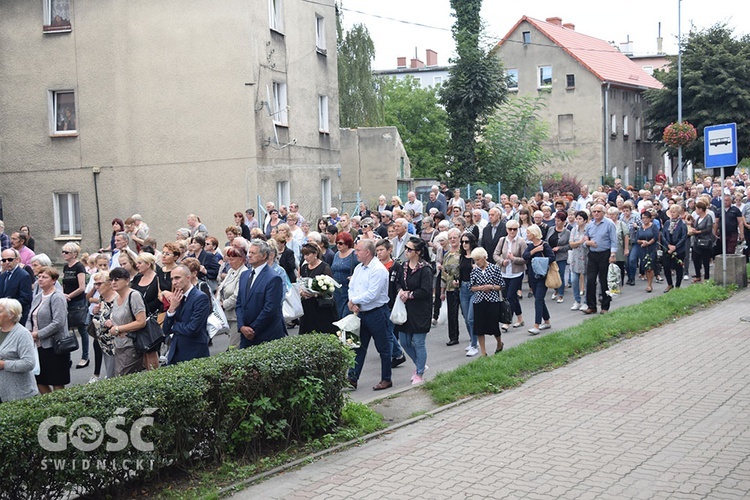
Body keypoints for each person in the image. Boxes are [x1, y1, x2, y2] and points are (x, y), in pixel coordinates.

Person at [347, 240, 392, 391]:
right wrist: (352, 300)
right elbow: (352, 286)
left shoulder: (378, 270)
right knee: (358, 347)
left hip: (377, 313)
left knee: (383, 348)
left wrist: (354, 300)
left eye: (358, 250)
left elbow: (373, 294)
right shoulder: (359, 268)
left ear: (367, 252)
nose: (355, 253)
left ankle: (386, 379)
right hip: (361, 312)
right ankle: (352, 378)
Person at [394, 237, 433, 385]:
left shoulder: (425, 269)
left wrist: (409, 294)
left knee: (418, 342)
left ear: (418, 252)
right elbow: (398, 283)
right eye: (406, 248)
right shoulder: (403, 266)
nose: (406, 251)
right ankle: (420, 364)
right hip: (405, 309)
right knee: (404, 341)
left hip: (420, 310)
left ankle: (420, 373)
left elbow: (426, 290)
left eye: (409, 249)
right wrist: (400, 291)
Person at [236, 239, 287, 348]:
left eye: (253, 253)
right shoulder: (244, 275)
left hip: (265, 335)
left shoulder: (273, 278)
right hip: (246, 334)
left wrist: (253, 329)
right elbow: (239, 303)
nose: (249, 255)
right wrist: (241, 326)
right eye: (249, 252)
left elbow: (270, 308)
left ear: (264, 256)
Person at [27, 266, 70, 394]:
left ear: (54, 280)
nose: (40, 280)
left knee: (56, 380)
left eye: (44, 277)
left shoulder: (57, 297)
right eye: (39, 277)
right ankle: (48, 404)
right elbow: (30, 317)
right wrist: (28, 332)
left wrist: (37, 334)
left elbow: (58, 322)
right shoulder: (38, 297)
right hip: (38, 345)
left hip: (54, 345)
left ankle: (60, 407)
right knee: (40, 379)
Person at [163, 265, 211, 364]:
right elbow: (166, 330)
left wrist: (175, 326)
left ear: (188, 278)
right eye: (172, 279)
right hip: (175, 351)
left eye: (177, 278)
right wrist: (172, 308)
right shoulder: (176, 298)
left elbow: (192, 329)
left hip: (194, 352)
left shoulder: (200, 298)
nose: (174, 282)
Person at [104, 267, 147, 376]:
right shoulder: (116, 297)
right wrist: (111, 322)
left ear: (127, 281)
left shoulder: (134, 296)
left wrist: (119, 328)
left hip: (132, 345)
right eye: (111, 279)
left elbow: (141, 321)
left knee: (122, 377)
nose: (113, 282)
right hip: (119, 345)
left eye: (117, 279)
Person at [0, 298, 39, 402]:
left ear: (11, 315)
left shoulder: (22, 334)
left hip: (18, 394)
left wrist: (4, 364)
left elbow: (29, 363)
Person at [375, 239, 405, 368]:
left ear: (389, 250)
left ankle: (394, 355)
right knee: (385, 330)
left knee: (388, 331)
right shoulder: (375, 265)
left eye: (381, 250)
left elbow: (399, 283)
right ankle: (397, 353)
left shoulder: (396, 266)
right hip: (378, 302)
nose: (379, 253)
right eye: (377, 251)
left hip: (391, 302)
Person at [582, 204, 618, 314]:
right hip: (593, 254)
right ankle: (591, 306)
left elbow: (613, 240)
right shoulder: (589, 225)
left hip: (605, 254)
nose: (596, 213)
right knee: (591, 280)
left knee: (604, 281)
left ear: (603, 212)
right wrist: (587, 243)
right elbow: (584, 240)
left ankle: (605, 307)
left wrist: (612, 254)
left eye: (598, 211)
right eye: (594, 211)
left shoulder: (609, 224)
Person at [469, 247, 505, 355]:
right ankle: (483, 353)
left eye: (478, 259)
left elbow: (502, 285)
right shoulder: (475, 271)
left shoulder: (494, 268)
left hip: (492, 300)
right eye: (475, 260)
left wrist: (491, 287)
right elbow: (471, 287)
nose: (477, 262)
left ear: (484, 258)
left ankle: (499, 343)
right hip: (479, 300)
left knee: (494, 325)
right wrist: (480, 288)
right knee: (479, 327)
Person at [130, 252, 162, 369]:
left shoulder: (157, 278)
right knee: (141, 350)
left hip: (151, 318)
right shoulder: (138, 277)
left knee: (150, 350)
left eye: (139, 263)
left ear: (148, 264)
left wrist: (142, 308)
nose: (137, 265)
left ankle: (154, 376)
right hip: (136, 317)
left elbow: (159, 300)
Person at [60, 242, 90, 369]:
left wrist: (69, 296)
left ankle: (85, 356)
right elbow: (64, 284)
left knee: (82, 328)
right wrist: (62, 295)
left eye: (66, 252)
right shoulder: (66, 267)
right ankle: (67, 357)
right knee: (66, 329)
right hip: (67, 301)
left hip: (78, 301)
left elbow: (81, 287)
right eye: (63, 251)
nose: (64, 254)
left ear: (74, 254)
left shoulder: (79, 267)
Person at [494, 219, 527, 330]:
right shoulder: (502, 240)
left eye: (515, 229)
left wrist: (514, 259)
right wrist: (502, 261)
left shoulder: (521, 241)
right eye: (510, 229)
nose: (512, 231)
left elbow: (525, 259)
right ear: (507, 230)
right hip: (504, 272)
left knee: (510, 297)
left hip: (516, 273)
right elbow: (495, 254)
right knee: (509, 297)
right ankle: (520, 318)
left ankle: (507, 321)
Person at [298, 243, 338, 335]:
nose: (305, 257)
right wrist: (301, 291)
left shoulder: (325, 267)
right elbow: (300, 281)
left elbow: (330, 288)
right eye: (304, 255)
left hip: (321, 307)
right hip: (307, 305)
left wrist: (316, 293)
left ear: (315, 254)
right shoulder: (304, 267)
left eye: (308, 255)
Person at [523, 225, 554, 335]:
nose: (527, 235)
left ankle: (536, 325)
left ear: (534, 233)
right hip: (532, 276)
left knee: (538, 300)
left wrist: (541, 260)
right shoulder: (531, 246)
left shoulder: (545, 245)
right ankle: (547, 321)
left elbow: (552, 257)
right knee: (539, 298)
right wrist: (534, 251)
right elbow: (525, 256)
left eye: (528, 233)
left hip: (542, 276)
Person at [217, 247, 247, 348]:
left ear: (241, 259)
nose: (229, 262)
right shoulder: (231, 271)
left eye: (232, 259)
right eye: (228, 258)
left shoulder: (244, 273)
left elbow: (237, 296)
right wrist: (218, 301)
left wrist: (223, 305)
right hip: (227, 315)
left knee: (233, 346)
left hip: (235, 316)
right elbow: (221, 287)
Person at [89, 271, 117, 381]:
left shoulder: (117, 298)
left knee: (116, 376)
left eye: (99, 283)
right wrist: (97, 312)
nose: (96, 287)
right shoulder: (102, 298)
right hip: (104, 343)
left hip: (116, 344)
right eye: (95, 284)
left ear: (109, 283)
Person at [440, 229, 462, 346]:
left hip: (462, 287)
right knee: (452, 314)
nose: (453, 240)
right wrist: (442, 291)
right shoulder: (447, 254)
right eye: (450, 238)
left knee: (467, 314)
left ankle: (474, 335)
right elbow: (444, 273)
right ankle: (453, 337)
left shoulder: (463, 253)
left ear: (459, 238)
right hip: (450, 288)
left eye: (455, 237)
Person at [0, 248, 33, 326]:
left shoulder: (24, 275)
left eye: (10, 260)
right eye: (4, 260)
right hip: (4, 318)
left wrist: (8, 306)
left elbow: (26, 298)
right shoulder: (3, 276)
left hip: (16, 317)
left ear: (17, 260)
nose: (7, 262)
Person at [458, 232, 478, 356]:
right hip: (463, 287)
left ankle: (475, 344)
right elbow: (460, 272)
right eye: (463, 242)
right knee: (466, 317)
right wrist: (457, 282)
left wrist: (477, 268)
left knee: (471, 318)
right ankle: (472, 340)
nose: (464, 244)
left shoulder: (476, 256)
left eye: (467, 242)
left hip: (474, 287)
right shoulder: (461, 256)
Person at [545, 211, 570, 303]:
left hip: (561, 257)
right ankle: (556, 290)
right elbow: (547, 240)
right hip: (551, 256)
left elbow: (569, 245)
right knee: (552, 274)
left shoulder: (567, 232)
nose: (557, 223)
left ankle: (561, 294)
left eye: (559, 221)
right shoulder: (551, 229)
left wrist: (560, 248)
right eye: (555, 220)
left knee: (561, 275)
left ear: (563, 222)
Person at [331, 232, 357, 320]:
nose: (338, 245)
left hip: (348, 290)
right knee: (337, 317)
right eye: (337, 243)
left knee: (346, 317)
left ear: (348, 243)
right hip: (337, 291)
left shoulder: (354, 255)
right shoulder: (336, 255)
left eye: (341, 243)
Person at [661, 204, 687, 292]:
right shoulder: (667, 222)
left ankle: (678, 286)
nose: (672, 214)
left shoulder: (682, 224)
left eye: (674, 212)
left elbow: (684, 237)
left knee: (679, 267)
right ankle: (669, 284)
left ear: (679, 213)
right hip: (667, 248)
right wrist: (668, 245)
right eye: (671, 212)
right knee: (666, 266)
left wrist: (675, 247)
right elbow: (663, 235)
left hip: (678, 249)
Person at [568, 211, 589, 311]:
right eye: (577, 218)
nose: (578, 220)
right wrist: (580, 242)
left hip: (586, 256)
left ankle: (586, 301)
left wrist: (582, 243)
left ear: (585, 220)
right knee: (574, 280)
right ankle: (577, 300)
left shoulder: (588, 229)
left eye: (580, 219)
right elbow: (571, 244)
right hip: (575, 257)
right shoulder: (574, 230)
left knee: (586, 280)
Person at [688, 200, 714, 282]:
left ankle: (706, 277)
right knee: (695, 258)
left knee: (705, 260)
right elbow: (696, 226)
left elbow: (708, 229)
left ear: (700, 209)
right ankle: (698, 275)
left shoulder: (708, 217)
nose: (696, 211)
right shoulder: (698, 218)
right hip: (696, 241)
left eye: (696, 209)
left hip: (705, 241)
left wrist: (698, 232)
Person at [634, 210, 659, 293]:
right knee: (645, 265)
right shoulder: (640, 227)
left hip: (651, 248)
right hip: (642, 249)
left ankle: (649, 284)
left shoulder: (653, 226)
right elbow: (637, 239)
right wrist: (642, 242)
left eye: (646, 218)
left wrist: (648, 243)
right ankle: (647, 280)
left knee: (650, 267)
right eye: (643, 218)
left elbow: (655, 237)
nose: (645, 220)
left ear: (650, 218)